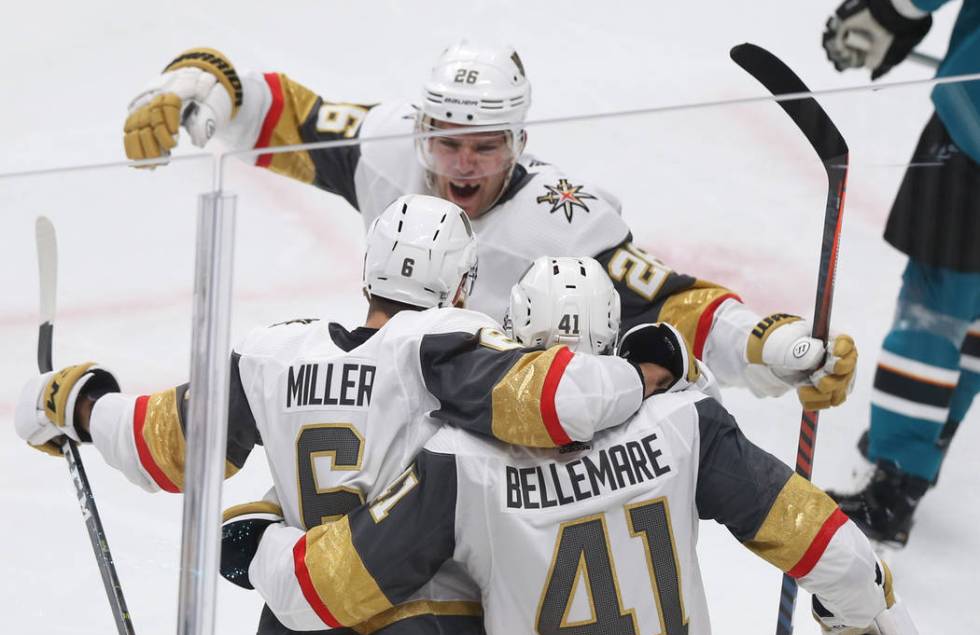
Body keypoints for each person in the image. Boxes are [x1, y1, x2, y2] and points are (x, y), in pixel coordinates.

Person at [15, 195, 673, 635]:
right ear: (464, 287)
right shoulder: (443, 343)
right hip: (425, 624)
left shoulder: (274, 353)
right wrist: (637, 375)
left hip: (301, 624)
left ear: (366, 275)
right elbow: (558, 402)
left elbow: (160, 445)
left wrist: (77, 403)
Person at [120, 41, 858, 415]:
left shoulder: (566, 219)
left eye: (487, 146)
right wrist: (191, 83)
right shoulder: (382, 149)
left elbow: (672, 302)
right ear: (420, 133)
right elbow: (282, 112)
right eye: (447, 144)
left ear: (519, 141)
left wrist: (772, 345)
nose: (465, 166)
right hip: (398, 403)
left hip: (518, 433)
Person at [223, 255, 919, 635]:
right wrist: (859, 615)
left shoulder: (462, 463)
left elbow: (332, 588)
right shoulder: (683, 424)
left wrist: (259, 540)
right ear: (612, 344)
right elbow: (836, 552)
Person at [822, 0, 980, 547]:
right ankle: (922, 451)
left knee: (935, 303)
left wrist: (893, 10)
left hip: (974, 128)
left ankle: (896, 481)